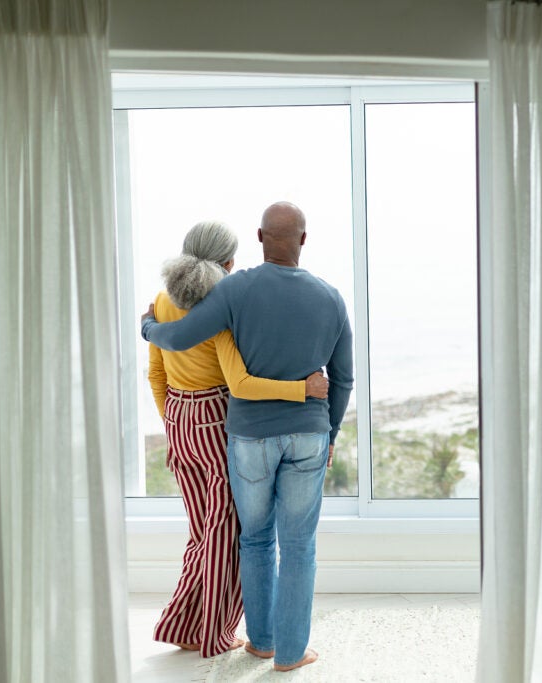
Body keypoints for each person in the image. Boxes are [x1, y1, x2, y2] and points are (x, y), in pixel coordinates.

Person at [141, 202, 354, 673]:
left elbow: (176, 339)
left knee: (254, 539)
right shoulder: (331, 297)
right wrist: (332, 431)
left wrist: (148, 326)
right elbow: (342, 380)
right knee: (299, 546)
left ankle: (261, 641)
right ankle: (292, 654)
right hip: (308, 433)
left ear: (259, 238)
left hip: (249, 437)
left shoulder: (235, 288)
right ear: (304, 239)